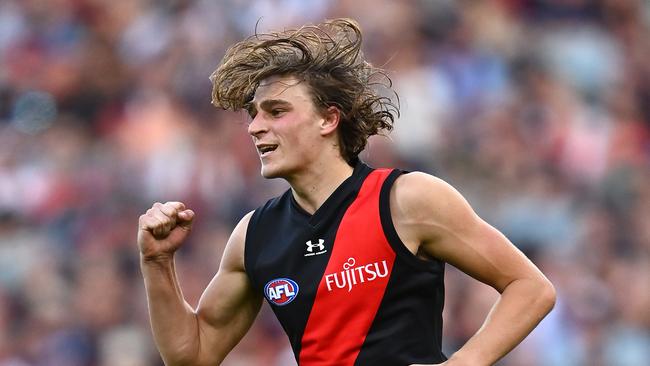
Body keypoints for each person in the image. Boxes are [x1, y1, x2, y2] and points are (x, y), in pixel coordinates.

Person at [137, 18, 556, 366]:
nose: (254, 127)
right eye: (252, 115)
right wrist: (157, 262)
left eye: (276, 112)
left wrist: (466, 363)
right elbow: (191, 357)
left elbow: (530, 287)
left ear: (328, 119)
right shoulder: (255, 235)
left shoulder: (406, 199)